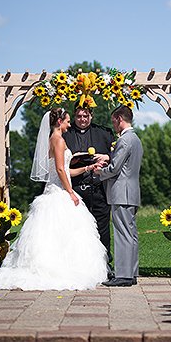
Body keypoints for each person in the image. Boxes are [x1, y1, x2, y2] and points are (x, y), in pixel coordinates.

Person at [0, 108, 109, 290]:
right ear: (59, 122)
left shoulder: (51, 140)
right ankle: (63, 270)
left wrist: (88, 167)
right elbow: (61, 171)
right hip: (59, 192)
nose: (69, 125)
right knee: (66, 233)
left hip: (56, 188)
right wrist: (70, 192)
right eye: (67, 121)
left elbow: (65, 170)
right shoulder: (59, 140)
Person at [93, 105, 143, 287]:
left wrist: (99, 172)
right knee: (131, 233)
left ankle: (123, 275)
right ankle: (132, 272)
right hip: (132, 191)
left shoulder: (124, 140)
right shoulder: (135, 139)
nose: (113, 125)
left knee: (122, 233)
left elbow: (115, 169)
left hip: (122, 192)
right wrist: (109, 157)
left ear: (120, 119)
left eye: (114, 121)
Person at [61, 106, 115, 274]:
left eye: (85, 116)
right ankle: (77, 266)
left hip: (99, 189)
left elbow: (117, 156)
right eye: (78, 116)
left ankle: (105, 264)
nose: (82, 119)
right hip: (75, 190)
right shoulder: (65, 135)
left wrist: (106, 158)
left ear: (91, 115)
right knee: (76, 229)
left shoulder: (104, 133)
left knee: (102, 229)